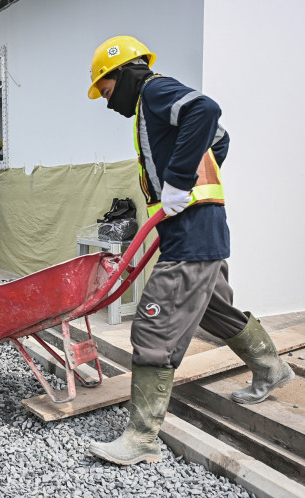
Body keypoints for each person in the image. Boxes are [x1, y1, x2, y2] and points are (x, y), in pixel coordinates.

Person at [86, 36, 294, 466]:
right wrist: (188, 187)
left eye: (107, 91)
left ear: (123, 74)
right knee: (217, 312)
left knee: (153, 327)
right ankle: (273, 368)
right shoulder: (152, 104)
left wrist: (181, 182)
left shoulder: (156, 91)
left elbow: (207, 111)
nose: (108, 103)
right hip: (198, 231)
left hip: (194, 235)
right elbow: (219, 137)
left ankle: (141, 439)